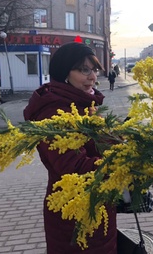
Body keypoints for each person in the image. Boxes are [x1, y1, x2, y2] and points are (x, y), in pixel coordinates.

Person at [23, 42, 117, 253]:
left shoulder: (84, 105)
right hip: (73, 214)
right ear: (65, 73)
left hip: (95, 205)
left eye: (94, 69)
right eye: (84, 70)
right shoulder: (55, 112)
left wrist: (123, 142)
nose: (92, 77)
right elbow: (73, 166)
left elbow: (100, 144)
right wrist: (121, 165)